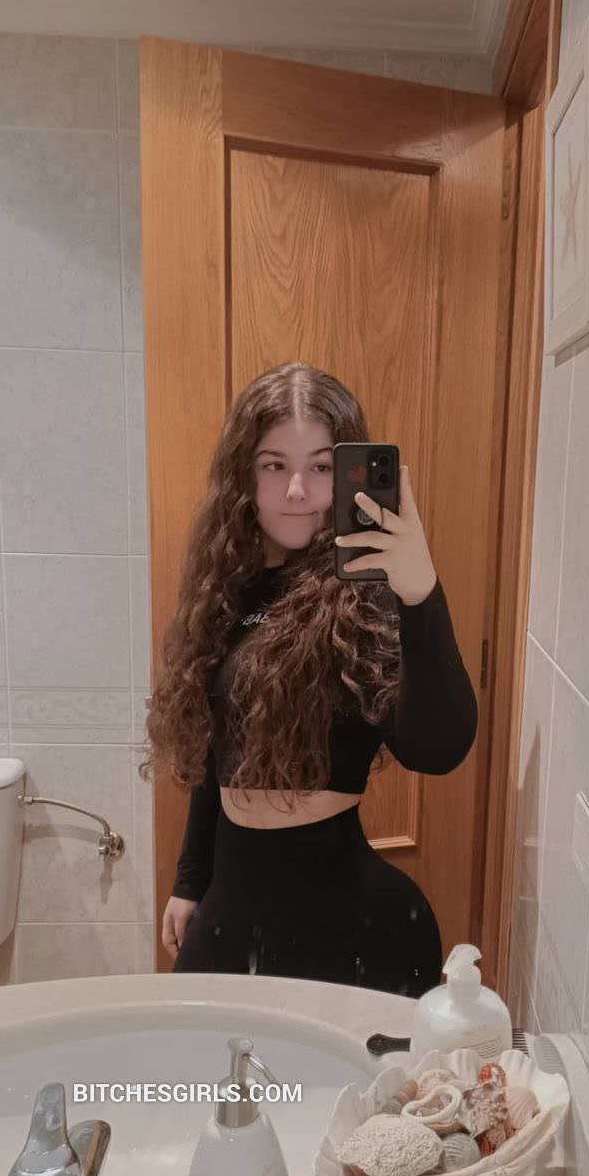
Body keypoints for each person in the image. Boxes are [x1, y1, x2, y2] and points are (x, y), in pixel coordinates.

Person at [140, 362, 478, 997]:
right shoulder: (224, 589)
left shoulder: (366, 597)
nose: (297, 489)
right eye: (274, 465)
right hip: (230, 904)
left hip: (351, 924)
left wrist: (419, 592)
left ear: (347, 474)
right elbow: (216, 750)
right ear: (244, 473)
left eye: (321, 467)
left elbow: (437, 750)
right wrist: (189, 879)